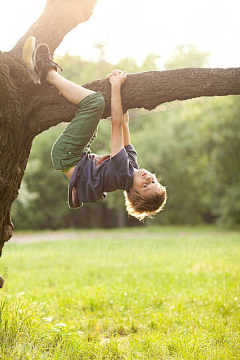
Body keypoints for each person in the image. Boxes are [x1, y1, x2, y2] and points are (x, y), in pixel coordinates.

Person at [22, 36, 167, 221]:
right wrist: (125, 94)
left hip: (67, 155)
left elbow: (116, 124)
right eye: (153, 181)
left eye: (145, 186)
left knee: (95, 102)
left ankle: (48, 74)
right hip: (77, 155)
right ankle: (53, 85)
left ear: (133, 191)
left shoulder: (124, 173)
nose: (148, 179)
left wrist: (115, 86)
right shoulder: (132, 166)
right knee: (97, 112)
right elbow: (124, 124)